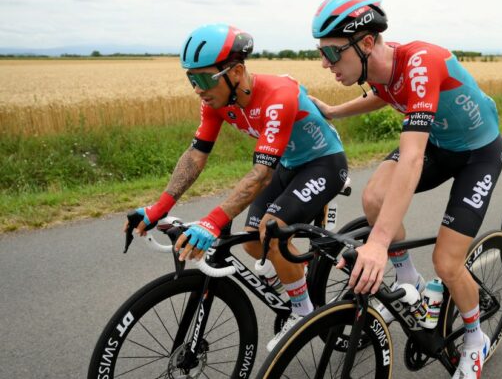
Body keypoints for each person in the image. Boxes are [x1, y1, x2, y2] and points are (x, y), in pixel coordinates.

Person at [309, 0, 502, 378]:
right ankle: (410, 281)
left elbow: (412, 157)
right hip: (441, 144)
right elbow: (383, 94)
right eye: (321, 54)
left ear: (365, 43)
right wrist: (334, 111)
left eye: (331, 53)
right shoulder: (380, 67)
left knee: (447, 263)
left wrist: (378, 244)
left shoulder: (420, 61)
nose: (326, 64)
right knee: (374, 197)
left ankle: (474, 337)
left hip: (477, 155)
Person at [124, 23, 348, 351]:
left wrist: (212, 222)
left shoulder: (277, 95)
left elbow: (259, 174)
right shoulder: (216, 102)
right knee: (254, 245)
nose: (197, 89)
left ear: (237, 71)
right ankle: (294, 278)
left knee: (272, 230)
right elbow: (196, 156)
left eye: (202, 79)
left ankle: (303, 313)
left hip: (323, 164)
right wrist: (158, 208)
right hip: (286, 165)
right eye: (191, 79)